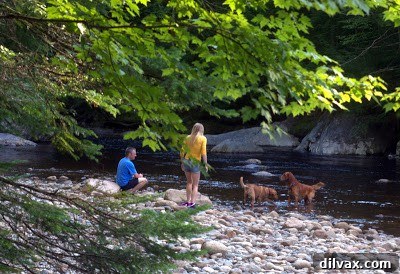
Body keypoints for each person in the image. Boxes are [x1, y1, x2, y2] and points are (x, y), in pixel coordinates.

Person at [180, 123, 208, 208]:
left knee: (189, 182)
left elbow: (182, 151)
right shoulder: (203, 138)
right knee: (195, 185)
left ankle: (187, 202)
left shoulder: (188, 137)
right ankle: (192, 203)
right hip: (195, 162)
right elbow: (203, 153)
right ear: (201, 129)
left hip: (186, 161)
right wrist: (205, 164)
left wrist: (182, 162)